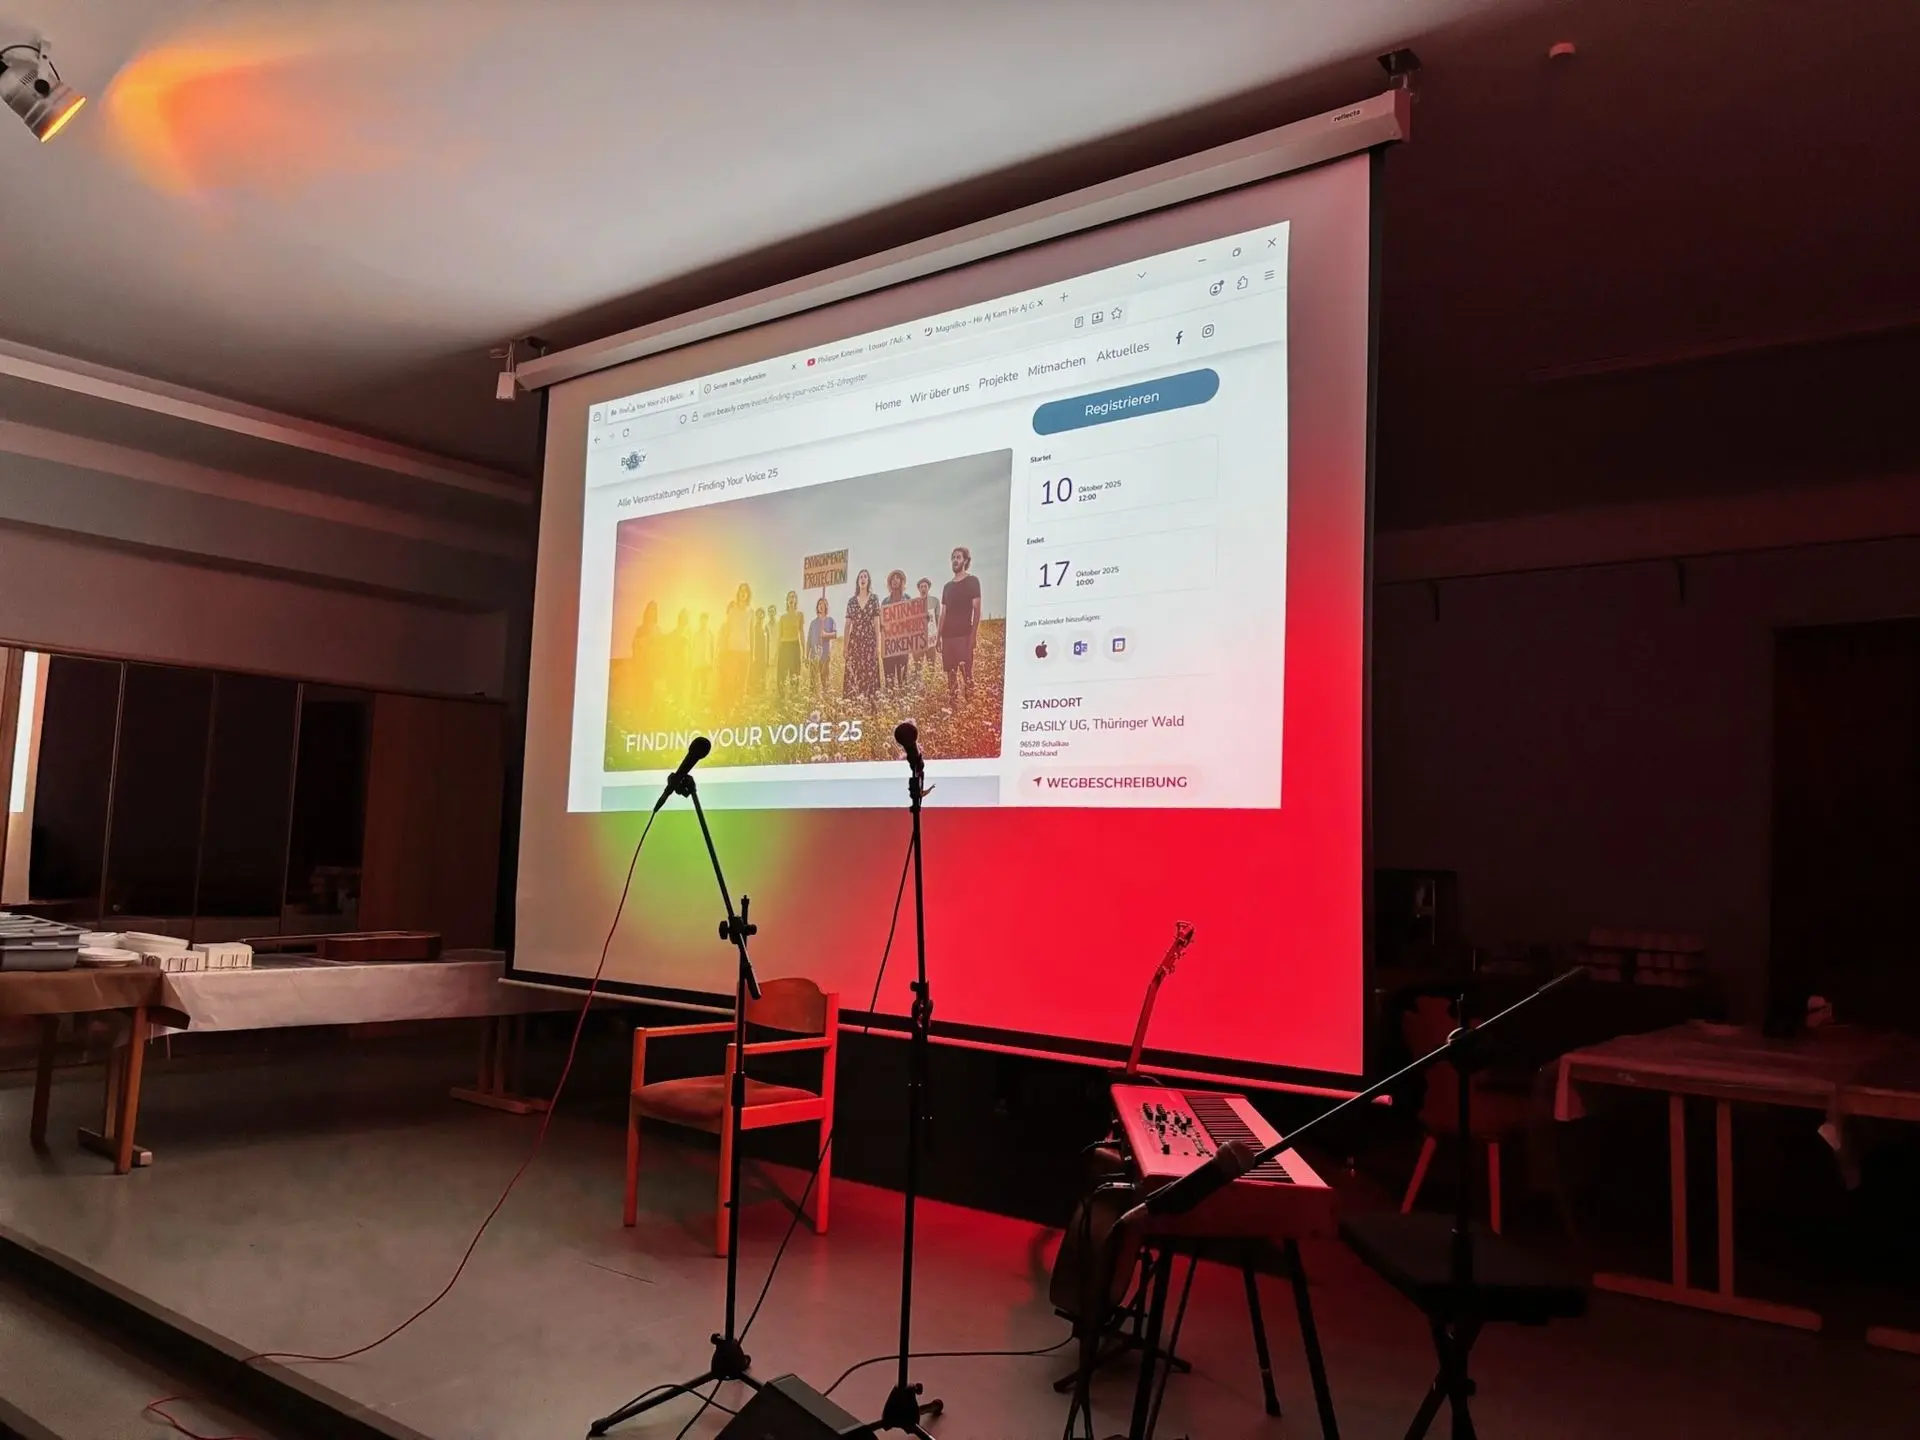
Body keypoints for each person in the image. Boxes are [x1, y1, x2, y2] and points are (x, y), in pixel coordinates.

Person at [938, 545, 981, 706]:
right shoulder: (947, 587)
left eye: (958, 557)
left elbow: (977, 610)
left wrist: (973, 636)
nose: (955, 560)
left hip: (964, 635)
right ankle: (954, 707)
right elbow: (943, 613)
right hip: (947, 637)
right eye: (953, 558)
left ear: (966, 560)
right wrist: (938, 637)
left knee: (967, 674)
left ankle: (971, 708)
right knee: (951, 674)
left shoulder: (972, 581)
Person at [842, 568, 881, 701]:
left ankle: (870, 703)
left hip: (869, 641)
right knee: (854, 671)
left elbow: (877, 624)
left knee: (869, 672)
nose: (863, 579)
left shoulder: (874, 599)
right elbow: (847, 625)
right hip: (855, 642)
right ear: (857, 581)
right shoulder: (851, 601)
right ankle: (853, 703)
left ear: (868, 581)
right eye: (860, 577)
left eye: (865, 576)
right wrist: (845, 647)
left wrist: (878, 646)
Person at [880, 569, 913, 692]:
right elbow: (881, 623)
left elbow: (913, 619)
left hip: (903, 645)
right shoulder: (885, 602)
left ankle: (902, 699)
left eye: (897, 578)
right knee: (889, 677)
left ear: (901, 581)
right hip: (889, 645)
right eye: (892, 579)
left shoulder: (907, 599)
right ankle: (890, 699)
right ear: (890, 583)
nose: (895, 580)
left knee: (902, 678)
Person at [628, 600, 661, 706]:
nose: (653, 611)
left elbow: (660, 647)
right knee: (640, 694)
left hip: (652, 668)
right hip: (642, 667)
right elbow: (635, 646)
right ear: (647, 611)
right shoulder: (640, 629)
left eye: (655, 609)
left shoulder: (657, 629)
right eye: (651, 608)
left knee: (649, 694)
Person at [806, 595, 837, 696]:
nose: (821, 606)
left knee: (825, 682)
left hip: (825, 656)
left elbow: (835, 634)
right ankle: (813, 701)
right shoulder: (813, 623)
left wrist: (825, 634)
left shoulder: (830, 620)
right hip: (814, 656)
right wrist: (806, 656)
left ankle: (826, 700)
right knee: (813, 683)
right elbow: (809, 640)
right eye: (819, 604)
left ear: (826, 606)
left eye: (823, 604)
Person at [776, 590, 805, 693]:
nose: (791, 599)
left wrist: (804, 650)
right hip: (784, 646)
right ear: (787, 600)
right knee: (782, 675)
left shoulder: (800, 615)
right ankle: (781, 697)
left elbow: (801, 632)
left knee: (795, 674)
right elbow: (779, 636)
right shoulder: (782, 618)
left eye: (793, 597)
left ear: (796, 600)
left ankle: (794, 695)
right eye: (789, 597)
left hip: (795, 646)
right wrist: (777, 652)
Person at [914, 577, 939, 677]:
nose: (923, 588)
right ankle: (918, 683)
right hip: (918, 640)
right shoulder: (914, 603)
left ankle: (930, 683)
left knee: (931, 664)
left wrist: (938, 638)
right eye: (921, 587)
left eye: (925, 586)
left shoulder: (934, 601)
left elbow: (937, 619)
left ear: (928, 588)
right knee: (917, 666)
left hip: (931, 638)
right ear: (918, 589)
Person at [691, 612, 715, 702]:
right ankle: (694, 700)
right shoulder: (696, 634)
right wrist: (691, 661)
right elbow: (693, 648)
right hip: (696, 662)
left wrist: (712, 662)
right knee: (695, 683)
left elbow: (712, 649)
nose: (703, 622)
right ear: (700, 621)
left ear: (707, 621)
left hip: (706, 662)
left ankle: (702, 700)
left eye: (705, 620)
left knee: (704, 682)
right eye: (702, 620)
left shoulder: (710, 634)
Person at [749, 596, 770, 695]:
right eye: (758, 614)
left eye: (762, 614)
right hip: (756, 654)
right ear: (756, 616)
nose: (760, 616)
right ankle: (754, 690)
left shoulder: (766, 629)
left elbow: (768, 643)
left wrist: (768, 656)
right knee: (755, 673)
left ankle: (762, 690)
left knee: (763, 673)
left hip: (764, 655)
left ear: (764, 616)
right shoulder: (754, 628)